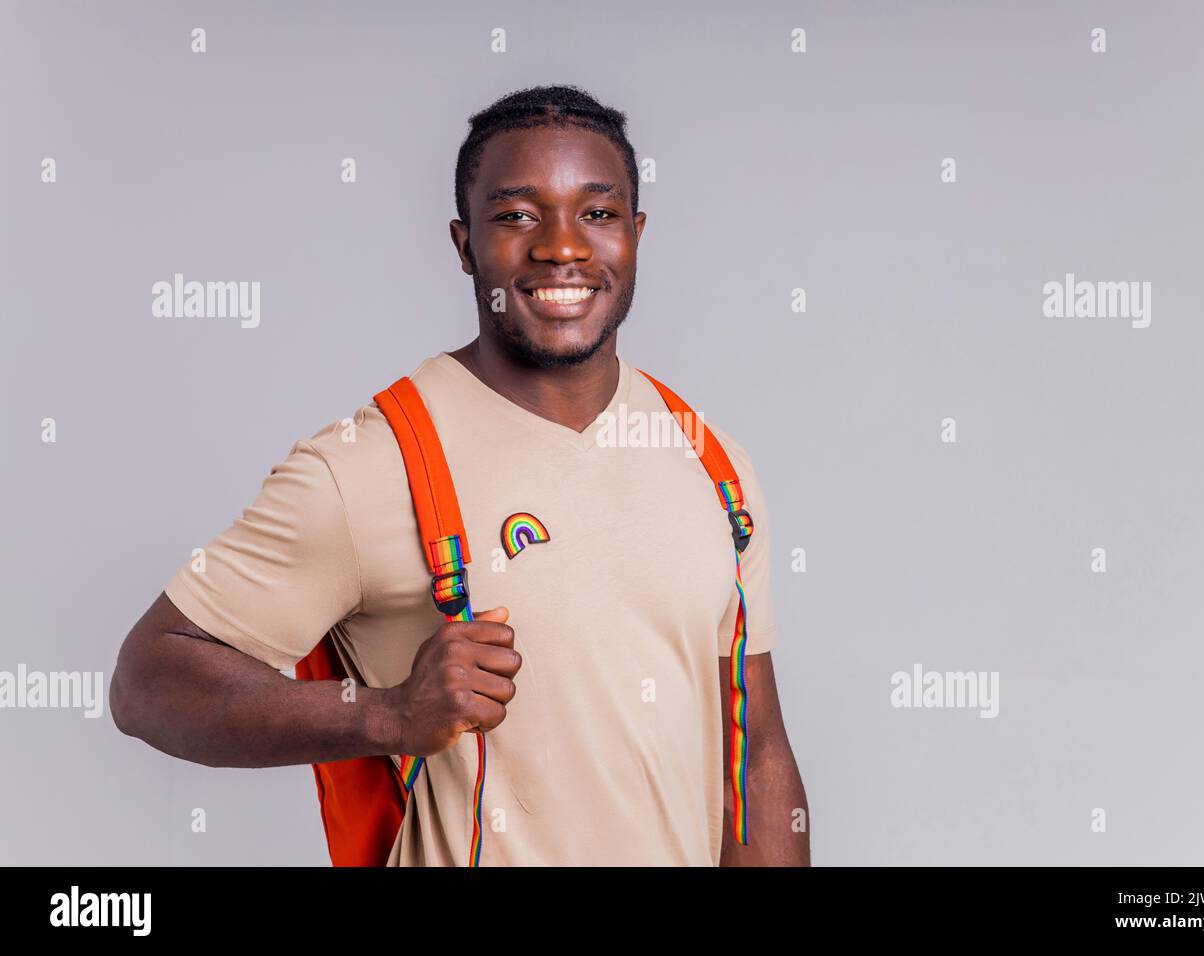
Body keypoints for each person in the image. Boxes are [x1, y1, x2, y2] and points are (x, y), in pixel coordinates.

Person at [110, 84, 809, 866]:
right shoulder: (371, 465)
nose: (561, 246)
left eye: (598, 213)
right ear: (464, 244)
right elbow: (147, 682)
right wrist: (384, 715)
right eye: (516, 215)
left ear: (636, 235)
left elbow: (755, 757)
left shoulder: (712, 464)